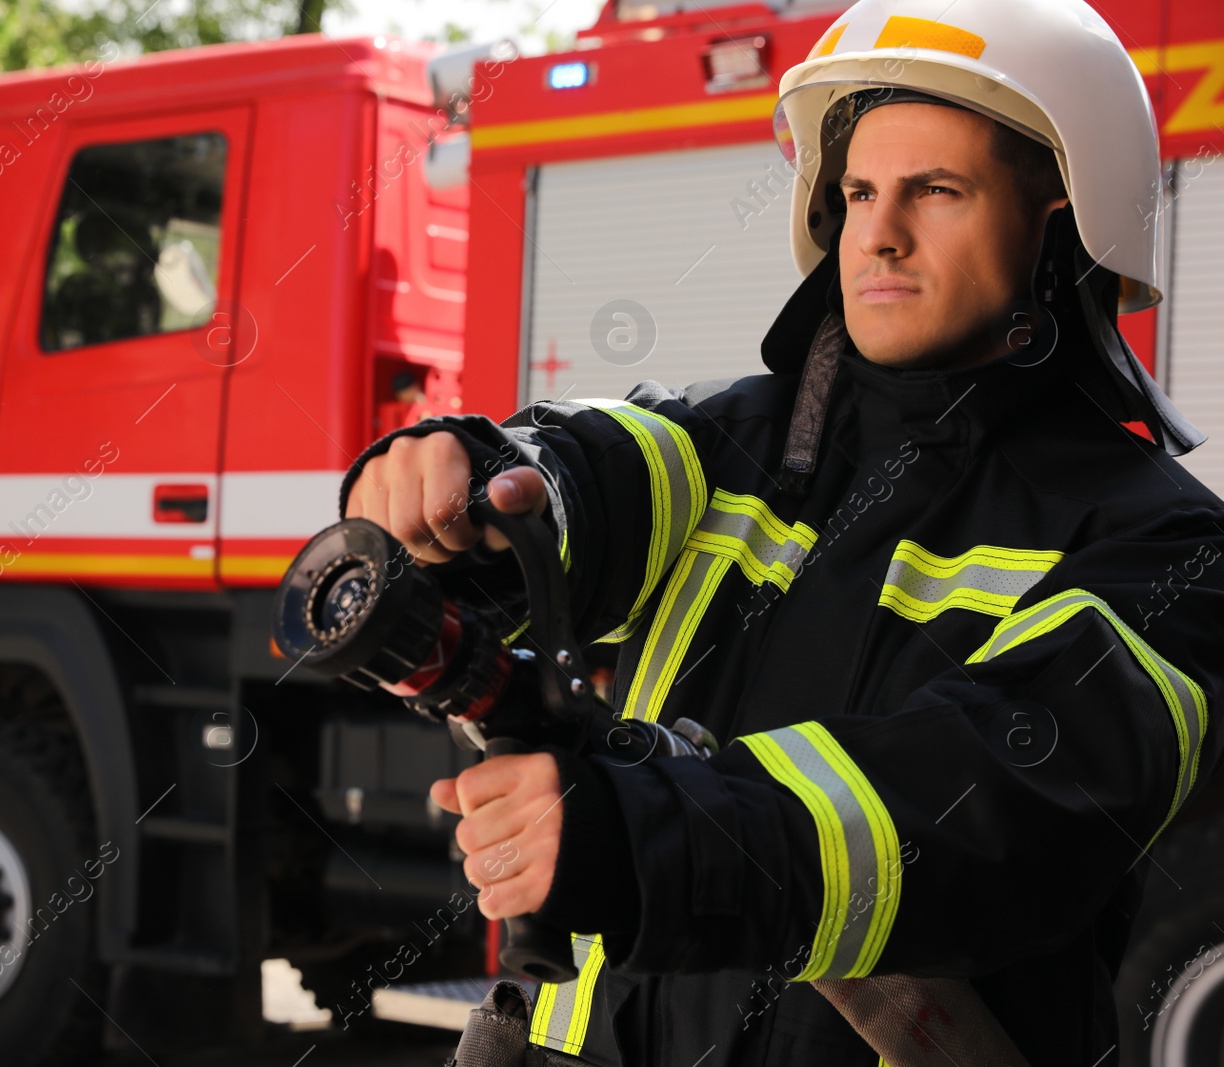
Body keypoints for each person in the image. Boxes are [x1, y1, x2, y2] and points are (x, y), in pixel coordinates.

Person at [339, 0, 1224, 1062]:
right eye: (858, 191)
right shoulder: (733, 441)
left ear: (1063, 230)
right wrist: (458, 484)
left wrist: (646, 838)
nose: (880, 232)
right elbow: (581, 470)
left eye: (935, 190)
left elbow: (990, 808)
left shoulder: (1166, 546)